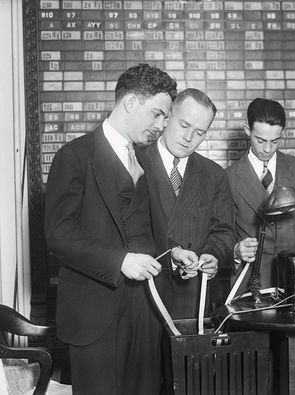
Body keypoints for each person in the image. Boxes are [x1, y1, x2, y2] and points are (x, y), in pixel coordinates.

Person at [44, 64, 194, 394]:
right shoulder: (74, 156)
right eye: (157, 114)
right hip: (93, 316)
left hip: (146, 312)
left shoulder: (148, 162)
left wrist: (173, 251)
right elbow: (59, 234)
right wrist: (120, 261)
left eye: (165, 118)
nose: (161, 125)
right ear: (129, 103)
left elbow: (145, 231)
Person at [138, 88, 235, 320]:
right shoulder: (135, 161)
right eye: (184, 125)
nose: (189, 137)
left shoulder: (214, 175)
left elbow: (223, 231)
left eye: (199, 132)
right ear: (167, 117)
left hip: (191, 298)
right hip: (141, 292)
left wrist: (213, 257)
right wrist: (172, 252)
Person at [226, 98, 295, 295]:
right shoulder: (228, 177)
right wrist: (235, 250)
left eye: (275, 141)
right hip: (250, 284)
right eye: (260, 140)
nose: (268, 149)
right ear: (247, 130)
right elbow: (223, 234)